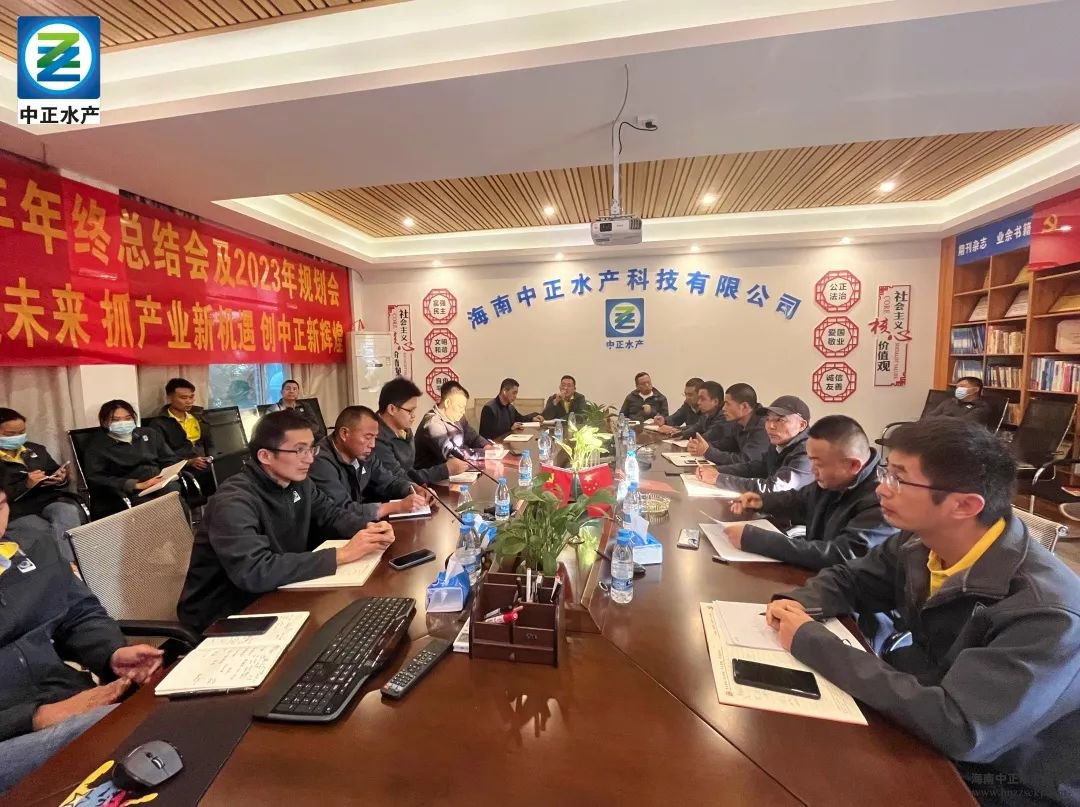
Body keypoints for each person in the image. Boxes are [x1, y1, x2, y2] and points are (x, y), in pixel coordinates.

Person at [764, 419, 1080, 805]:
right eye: (886, 472)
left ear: (964, 505)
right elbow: (851, 578)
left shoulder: (1048, 613)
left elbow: (961, 727)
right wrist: (798, 604)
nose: (881, 488)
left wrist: (811, 641)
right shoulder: (921, 540)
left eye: (899, 479)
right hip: (929, 716)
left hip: (1007, 780)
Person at [0, 488, 164, 795]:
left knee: (167, 708)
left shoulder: (30, 544)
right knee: (132, 730)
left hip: (65, 698)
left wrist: (111, 652)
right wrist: (34, 717)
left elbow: (76, 613)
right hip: (11, 733)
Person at [177, 409, 396, 632]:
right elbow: (254, 571)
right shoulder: (234, 501)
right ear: (265, 456)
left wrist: (370, 528)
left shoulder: (299, 483)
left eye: (311, 448)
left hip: (279, 592)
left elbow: (331, 515)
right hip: (225, 615)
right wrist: (341, 555)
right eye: (299, 450)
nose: (310, 459)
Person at [724, 415, 896, 569]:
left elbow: (841, 554)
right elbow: (798, 500)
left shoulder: (882, 501)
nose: (812, 470)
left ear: (853, 465)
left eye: (818, 464)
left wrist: (756, 540)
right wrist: (761, 501)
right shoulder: (834, 481)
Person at [308, 405, 429, 522]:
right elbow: (341, 510)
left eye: (375, 438)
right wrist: (396, 506)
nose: (372, 444)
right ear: (344, 433)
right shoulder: (319, 461)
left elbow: (387, 482)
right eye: (368, 437)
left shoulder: (365, 454)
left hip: (359, 525)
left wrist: (412, 488)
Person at [0, 408, 84, 562]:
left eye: (21, 432)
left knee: (68, 511)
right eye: (10, 434)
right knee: (41, 529)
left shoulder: (36, 449)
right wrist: (26, 485)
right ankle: (58, 566)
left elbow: (54, 470)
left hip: (46, 501)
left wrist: (61, 478)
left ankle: (72, 563)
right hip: (15, 511)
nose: (17, 437)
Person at [696, 395, 814, 494]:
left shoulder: (808, 452)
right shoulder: (779, 443)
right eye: (768, 419)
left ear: (802, 425)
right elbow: (757, 468)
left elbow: (775, 488)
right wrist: (717, 470)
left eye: (780, 420)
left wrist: (719, 479)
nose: (771, 426)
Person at [83, 400, 184, 514]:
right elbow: (96, 477)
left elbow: (169, 458)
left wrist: (167, 475)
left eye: (128, 418)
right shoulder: (97, 446)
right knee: (162, 504)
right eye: (116, 420)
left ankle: (179, 525)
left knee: (172, 491)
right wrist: (136, 485)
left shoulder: (149, 433)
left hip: (159, 482)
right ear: (104, 421)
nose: (123, 423)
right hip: (130, 492)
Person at [374, 377, 470, 486]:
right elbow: (398, 479)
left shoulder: (404, 429)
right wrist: (445, 470)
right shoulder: (376, 437)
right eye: (410, 411)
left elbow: (409, 471)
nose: (413, 416)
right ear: (392, 409)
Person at [687, 382, 770, 466]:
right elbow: (728, 444)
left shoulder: (763, 426)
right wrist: (701, 446)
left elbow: (746, 461)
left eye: (727, 404)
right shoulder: (739, 423)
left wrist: (708, 452)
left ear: (744, 406)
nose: (723, 408)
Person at [415, 381, 490, 470]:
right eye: (460, 406)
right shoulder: (433, 424)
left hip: (456, 470)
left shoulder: (457, 417)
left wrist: (487, 446)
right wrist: (485, 453)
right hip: (433, 475)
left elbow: (473, 436)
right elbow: (452, 454)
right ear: (447, 403)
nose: (463, 412)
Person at [149, 378, 213, 472]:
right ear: (170, 397)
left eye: (191, 397)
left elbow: (209, 443)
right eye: (184, 398)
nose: (189, 401)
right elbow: (162, 455)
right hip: (182, 468)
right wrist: (188, 462)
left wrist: (212, 457)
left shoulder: (198, 416)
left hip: (205, 461)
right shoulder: (159, 424)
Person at [479, 378, 543, 439]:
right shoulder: (489, 408)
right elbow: (487, 435)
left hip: (507, 441)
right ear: (504, 391)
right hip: (493, 444)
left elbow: (520, 418)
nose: (515, 396)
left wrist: (532, 418)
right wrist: (510, 429)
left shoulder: (510, 407)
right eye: (514, 393)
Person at [926, 376, 994, 428]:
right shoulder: (949, 401)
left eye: (962, 386)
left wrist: (941, 418)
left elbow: (962, 424)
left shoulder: (981, 407)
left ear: (975, 389)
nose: (958, 389)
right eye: (957, 387)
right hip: (937, 432)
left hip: (960, 438)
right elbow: (929, 417)